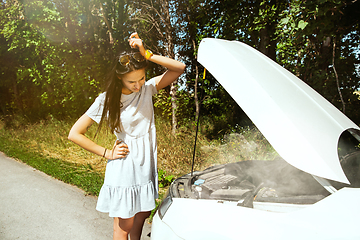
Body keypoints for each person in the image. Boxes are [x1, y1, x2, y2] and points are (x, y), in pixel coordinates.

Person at [68, 32, 186, 240]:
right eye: (132, 81)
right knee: (123, 226)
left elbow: (179, 68)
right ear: (119, 77)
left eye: (141, 78)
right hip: (124, 166)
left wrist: (147, 54)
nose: (138, 85)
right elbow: (75, 133)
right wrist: (106, 153)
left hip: (145, 165)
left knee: (141, 216)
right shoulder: (107, 99)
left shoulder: (147, 89)